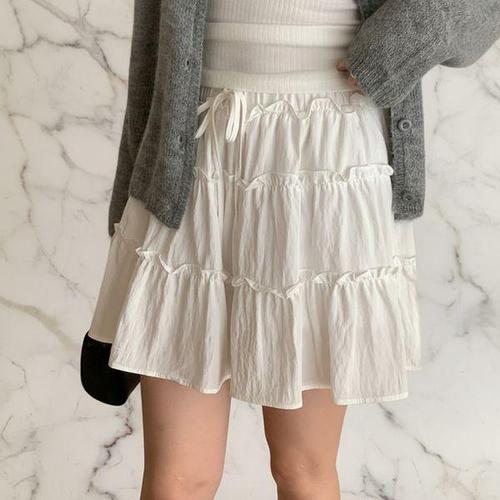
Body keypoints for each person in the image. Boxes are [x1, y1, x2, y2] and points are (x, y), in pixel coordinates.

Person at [85, 1, 500, 498]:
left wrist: (402, 42)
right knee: (179, 478)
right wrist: (129, 210)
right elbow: (152, 48)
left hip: (330, 159)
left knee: (303, 469)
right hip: (193, 150)